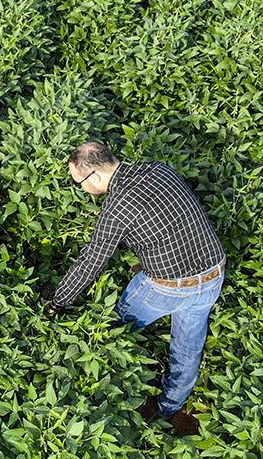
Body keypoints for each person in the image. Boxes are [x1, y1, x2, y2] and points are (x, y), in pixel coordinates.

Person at [43, 140, 226, 436]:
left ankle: (109, 383)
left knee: (112, 328)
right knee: (188, 349)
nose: (81, 189)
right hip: (214, 272)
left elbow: (90, 262)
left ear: (95, 177)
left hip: (168, 287)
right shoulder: (158, 169)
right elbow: (176, 220)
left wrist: (57, 303)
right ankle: (168, 408)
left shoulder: (118, 208)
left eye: (79, 183)